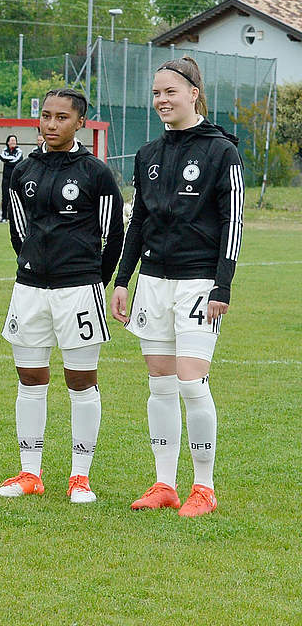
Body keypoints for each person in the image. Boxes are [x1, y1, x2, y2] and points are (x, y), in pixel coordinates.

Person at [111, 56, 243, 518]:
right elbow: (139, 223)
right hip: (154, 281)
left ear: (193, 93)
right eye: (156, 93)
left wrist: (221, 286)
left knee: (191, 383)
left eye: (170, 92)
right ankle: (164, 483)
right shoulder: (149, 154)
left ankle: (203, 486)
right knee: (160, 385)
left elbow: (232, 223)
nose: (162, 100)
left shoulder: (222, 150)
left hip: (199, 283)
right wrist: (124, 279)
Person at [0, 89, 123, 503]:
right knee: (30, 380)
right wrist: (34, 264)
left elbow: (113, 236)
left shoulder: (96, 173)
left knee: (81, 382)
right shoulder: (22, 171)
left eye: (61, 117)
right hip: (30, 289)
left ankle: (79, 476)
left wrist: (92, 281)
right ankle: (29, 472)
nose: (51, 125)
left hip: (79, 291)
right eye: (46, 116)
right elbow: (18, 230)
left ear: (79, 122)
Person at [0, 134, 24, 222]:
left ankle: (13, 217)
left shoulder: (19, 151)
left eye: (14, 140)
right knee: (5, 197)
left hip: (16, 178)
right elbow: (2, 157)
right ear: (8, 142)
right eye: (11, 140)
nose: (13, 142)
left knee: (15, 198)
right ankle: (4, 217)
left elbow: (16, 160)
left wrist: (8, 160)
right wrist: (10, 159)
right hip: (6, 178)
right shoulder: (4, 150)